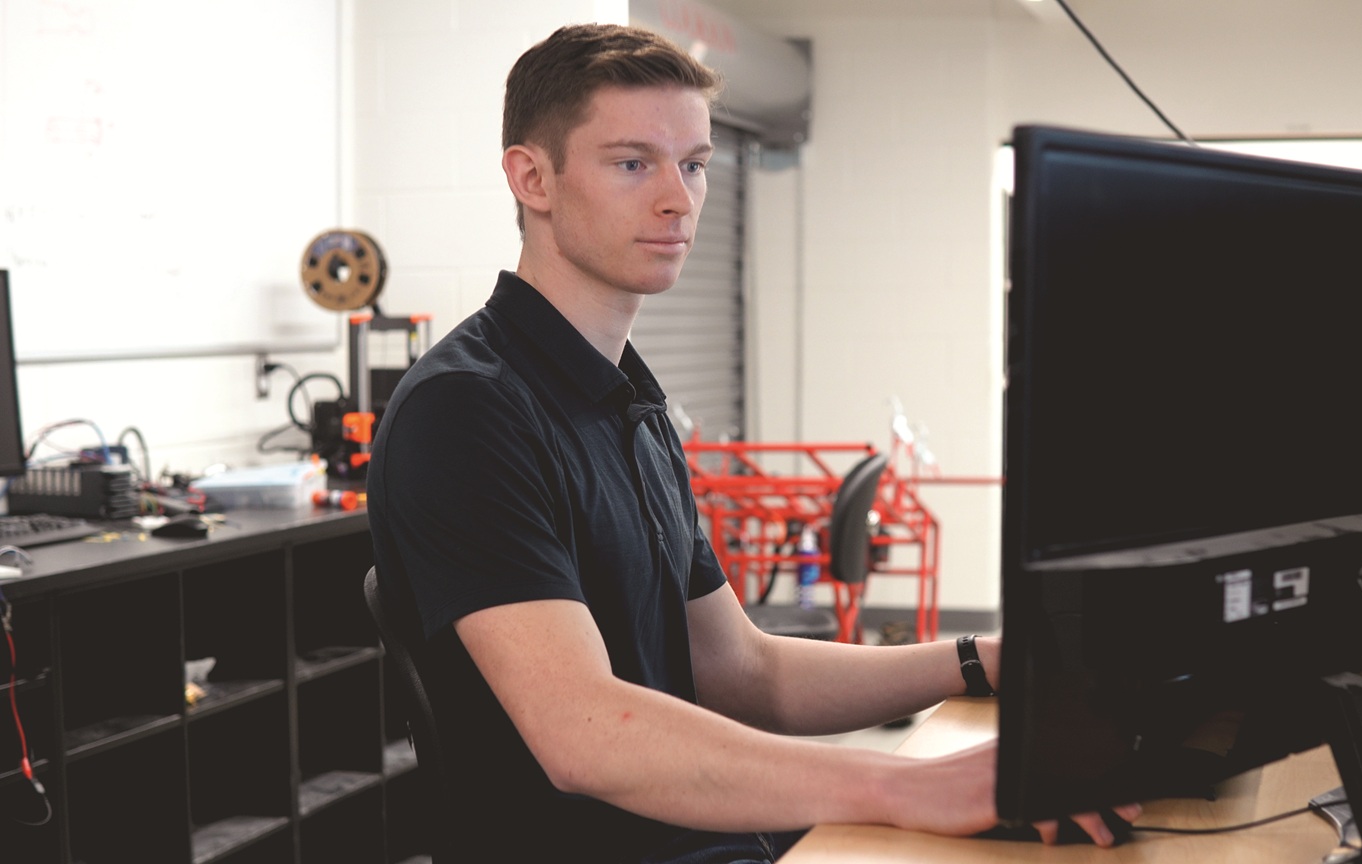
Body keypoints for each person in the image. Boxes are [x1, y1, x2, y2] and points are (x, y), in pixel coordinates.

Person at [366, 22, 1138, 863]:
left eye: (694, 164)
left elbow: (743, 672)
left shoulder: (624, 398)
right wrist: (900, 786)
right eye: (633, 163)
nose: (678, 199)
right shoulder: (469, 411)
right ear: (532, 177)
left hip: (714, 838)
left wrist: (982, 659)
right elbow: (582, 732)